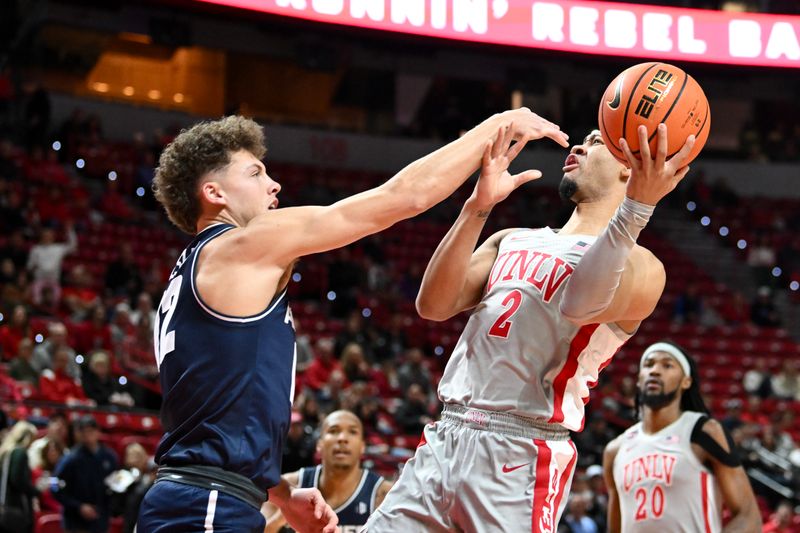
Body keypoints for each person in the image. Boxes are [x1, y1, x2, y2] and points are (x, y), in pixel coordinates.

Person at [137, 111, 568, 533]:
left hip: (203, 499)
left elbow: (210, 418)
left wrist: (280, 496)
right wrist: (498, 124)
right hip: (207, 508)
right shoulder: (240, 246)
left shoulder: (195, 269)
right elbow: (402, 198)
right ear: (214, 193)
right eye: (254, 174)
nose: (274, 184)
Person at [366, 123, 695, 532]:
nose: (579, 144)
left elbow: (580, 305)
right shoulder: (512, 239)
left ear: (629, 169)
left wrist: (638, 208)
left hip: (522, 451)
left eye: (596, 142)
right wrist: (476, 207)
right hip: (446, 434)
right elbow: (432, 304)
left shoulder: (643, 266)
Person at [602, 341, 762, 532]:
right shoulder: (615, 450)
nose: (655, 371)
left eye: (667, 365)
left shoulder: (702, 431)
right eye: (649, 364)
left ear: (686, 381)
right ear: (639, 379)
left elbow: (748, 515)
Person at [261, 410, 393, 533]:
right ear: (319, 444)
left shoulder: (385, 495)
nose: (342, 438)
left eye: (352, 432)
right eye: (333, 430)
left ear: (362, 446)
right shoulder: (286, 488)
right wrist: (279, 520)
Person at [52, 415, 119, 533]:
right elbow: (54, 485)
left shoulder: (109, 457)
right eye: (83, 431)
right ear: (78, 434)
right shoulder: (70, 459)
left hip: (100, 522)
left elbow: (115, 485)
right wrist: (78, 506)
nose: (87, 435)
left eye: (90, 430)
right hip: (75, 523)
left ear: (98, 432)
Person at [0, 421, 38, 533]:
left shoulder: (5, 452)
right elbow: (17, 480)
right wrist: (36, 491)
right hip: (14, 506)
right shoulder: (19, 452)